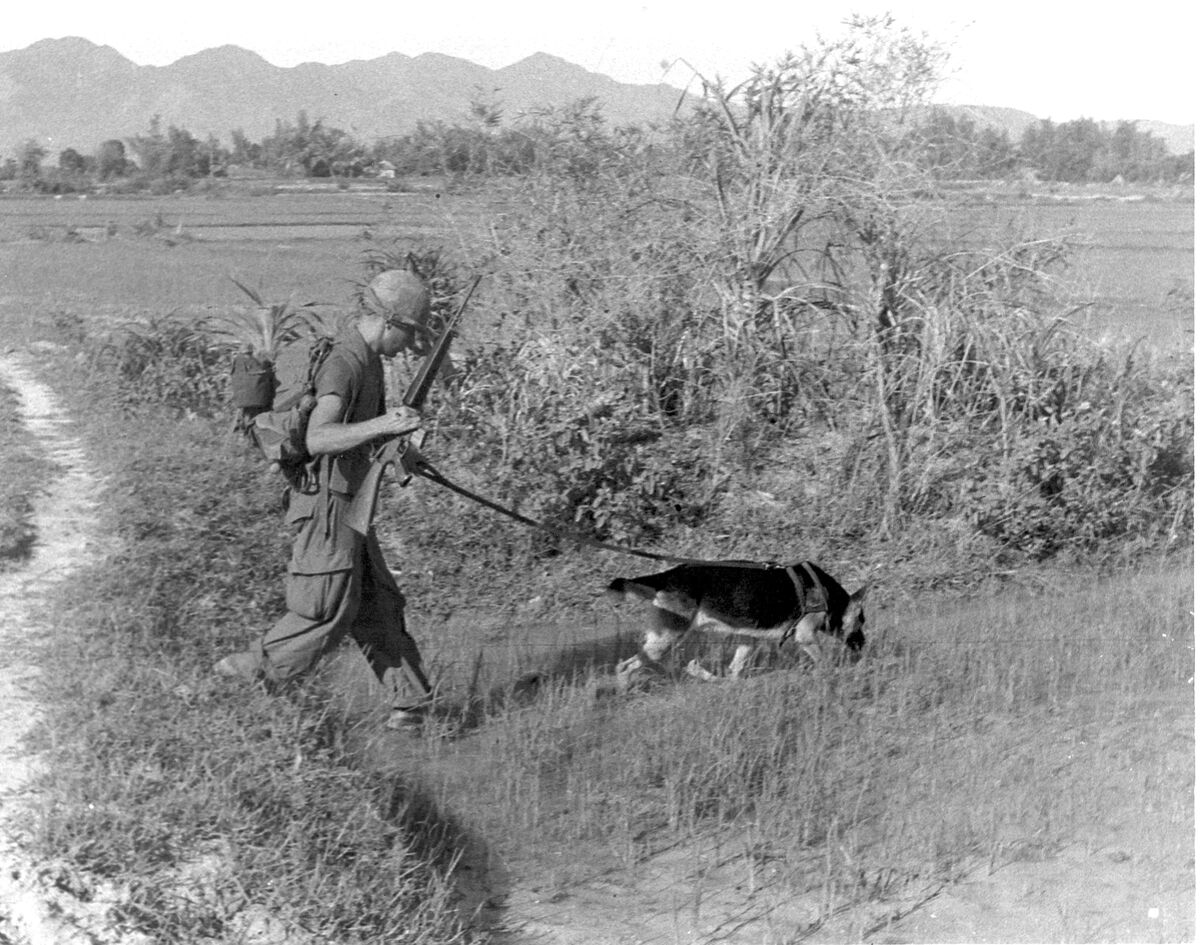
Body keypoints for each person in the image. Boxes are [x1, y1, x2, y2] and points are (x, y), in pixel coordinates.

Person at [215, 269, 436, 732]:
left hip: (350, 505)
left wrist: (402, 451)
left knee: (378, 606)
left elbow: (361, 435)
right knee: (325, 612)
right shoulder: (346, 363)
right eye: (409, 333)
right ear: (389, 322)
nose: (409, 345)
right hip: (326, 508)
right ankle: (235, 681)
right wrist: (387, 425)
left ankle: (412, 708)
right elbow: (320, 437)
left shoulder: (369, 360)